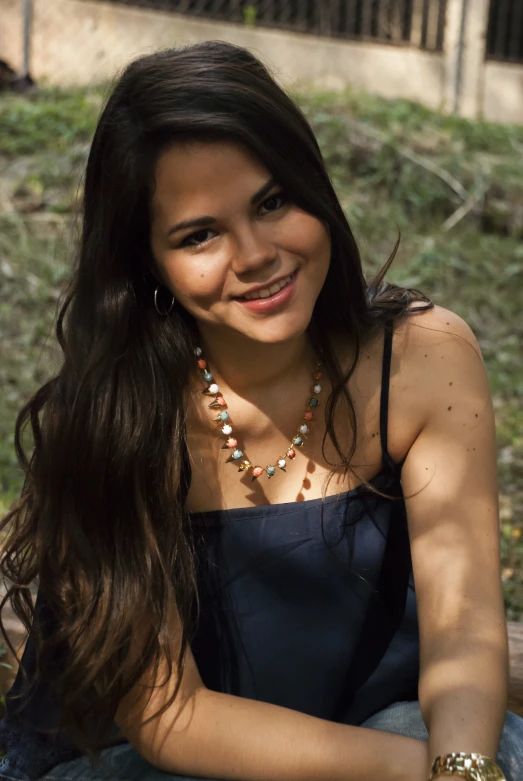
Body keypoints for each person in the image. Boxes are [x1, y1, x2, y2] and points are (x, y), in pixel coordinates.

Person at [0, 40, 521, 781]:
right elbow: (170, 719)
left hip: (378, 727)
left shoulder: (423, 360)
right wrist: (415, 772)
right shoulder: (113, 417)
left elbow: (464, 627)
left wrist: (463, 769)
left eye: (272, 201)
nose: (254, 254)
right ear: (146, 261)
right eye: (199, 234)